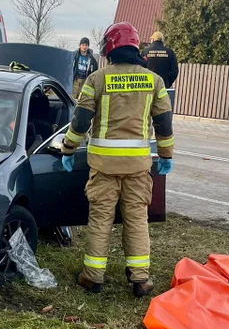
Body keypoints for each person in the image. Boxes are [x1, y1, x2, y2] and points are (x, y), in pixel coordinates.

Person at [60, 22, 174, 297]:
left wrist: (68, 149)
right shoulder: (154, 81)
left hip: (103, 166)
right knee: (136, 219)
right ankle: (140, 279)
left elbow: (81, 121)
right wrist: (166, 156)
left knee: (101, 220)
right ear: (136, 48)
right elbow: (164, 124)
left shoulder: (96, 79)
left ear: (109, 49)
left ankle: (93, 277)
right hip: (138, 166)